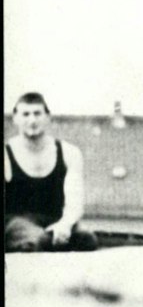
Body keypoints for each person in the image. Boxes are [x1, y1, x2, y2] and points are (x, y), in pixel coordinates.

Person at [4, 93, 99, 252]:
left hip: (54, 221)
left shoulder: (69, 152)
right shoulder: (6, 154)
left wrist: (66, 224)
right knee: (38, 240)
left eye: (37, 113)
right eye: (26, 114)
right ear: (15, 118)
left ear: (48, 117)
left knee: (87, 239)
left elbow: (74, 200)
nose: (32, 120)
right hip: (17, 224)